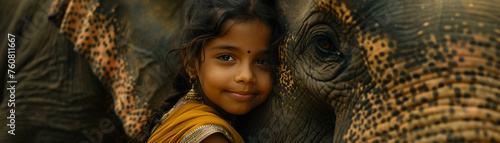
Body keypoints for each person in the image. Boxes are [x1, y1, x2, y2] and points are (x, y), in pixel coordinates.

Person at [137, 0, 284, 142]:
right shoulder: (210, 137)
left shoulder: (185, 110)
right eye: (226, 57)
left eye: (261, 61)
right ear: (191, 63)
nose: (246, 76)